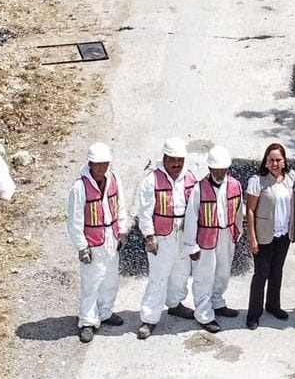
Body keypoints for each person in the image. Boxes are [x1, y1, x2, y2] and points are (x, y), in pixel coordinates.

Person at [135, 137, 198, 339]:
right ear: (164, 158)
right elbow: (144, 212)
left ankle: (175, 304)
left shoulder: (190, 178)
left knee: (181, 271)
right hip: (162, 236)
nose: (176, 165)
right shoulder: (151, 180)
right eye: (173, 160)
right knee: (159, 277)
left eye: (180, 160)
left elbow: (197, 206)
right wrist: (149, 235)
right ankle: (149, 318)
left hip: (183, 233)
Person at [67, 142, 124, 342]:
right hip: (93, 242)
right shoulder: (79, 187)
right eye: (98, 164)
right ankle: (88, 321)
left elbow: (121, 205)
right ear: (90, 163)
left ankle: (106, 312)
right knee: (91, 282)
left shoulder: (114, 179)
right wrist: (82, 247)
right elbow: (74, 220)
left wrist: (122, 231)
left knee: (110, 279)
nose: (102, 168)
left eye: (105, 164)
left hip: (111, 237)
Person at [185, 146, 244, 333]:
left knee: (223, 272)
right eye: (215, 170)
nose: (219, 173)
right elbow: (191, 217)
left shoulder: (235, 185)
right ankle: (203, 313)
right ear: (209, 169)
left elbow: (239, 211)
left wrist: (238, 232)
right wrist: (192, 245)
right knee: (204, 276)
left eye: (222, 169)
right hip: (206, 237)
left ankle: (217, 302)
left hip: (227, 236)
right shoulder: (199, 188)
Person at [245, 143, 295, 329]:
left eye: (278, 160)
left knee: (277, 271)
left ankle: (273, 305)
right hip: (264, 235)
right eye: (271, 160)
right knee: (261, 274)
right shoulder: (257, 181)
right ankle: (253, 313)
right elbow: (250, 210)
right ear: (266, 162)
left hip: (283, 235)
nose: (275, 163)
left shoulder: (291, 177)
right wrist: (252, 238)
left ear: (284, 161)